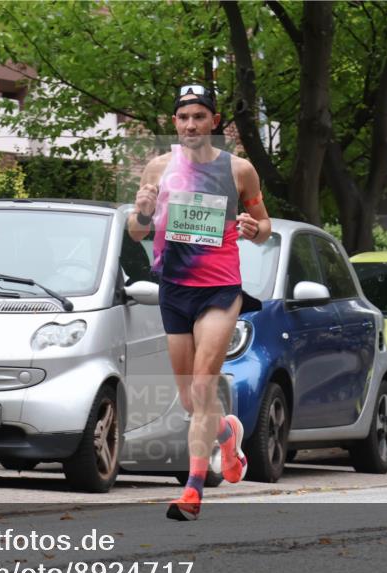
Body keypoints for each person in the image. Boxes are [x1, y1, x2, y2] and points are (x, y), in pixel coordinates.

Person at [128, 84, 272, 521]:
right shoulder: (158, 167)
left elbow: (264, 225)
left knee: (204, 385)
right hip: (173, 289)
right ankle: (227, 434)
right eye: (183, 117)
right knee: (192, 402)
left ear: (214, 121)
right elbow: (137, 232)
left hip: (220, 289)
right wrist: (144, 212)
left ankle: (192, 491)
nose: (191, 124)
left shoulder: (239, 169)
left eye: (199, 117)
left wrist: (253, 228)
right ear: (175, 123)